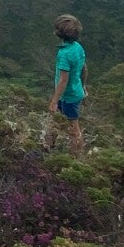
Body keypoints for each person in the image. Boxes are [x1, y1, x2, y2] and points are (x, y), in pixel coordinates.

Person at [46, 13, 87, 152]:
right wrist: (83, 86)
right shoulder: (78, 47)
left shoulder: (64, 54)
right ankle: (52, 147)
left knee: (74, 129)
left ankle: (77, 156)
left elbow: (63, 80)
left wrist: (54, 101)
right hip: (76, 91)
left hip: (68, 97)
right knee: (58, 123)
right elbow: (84, 69)